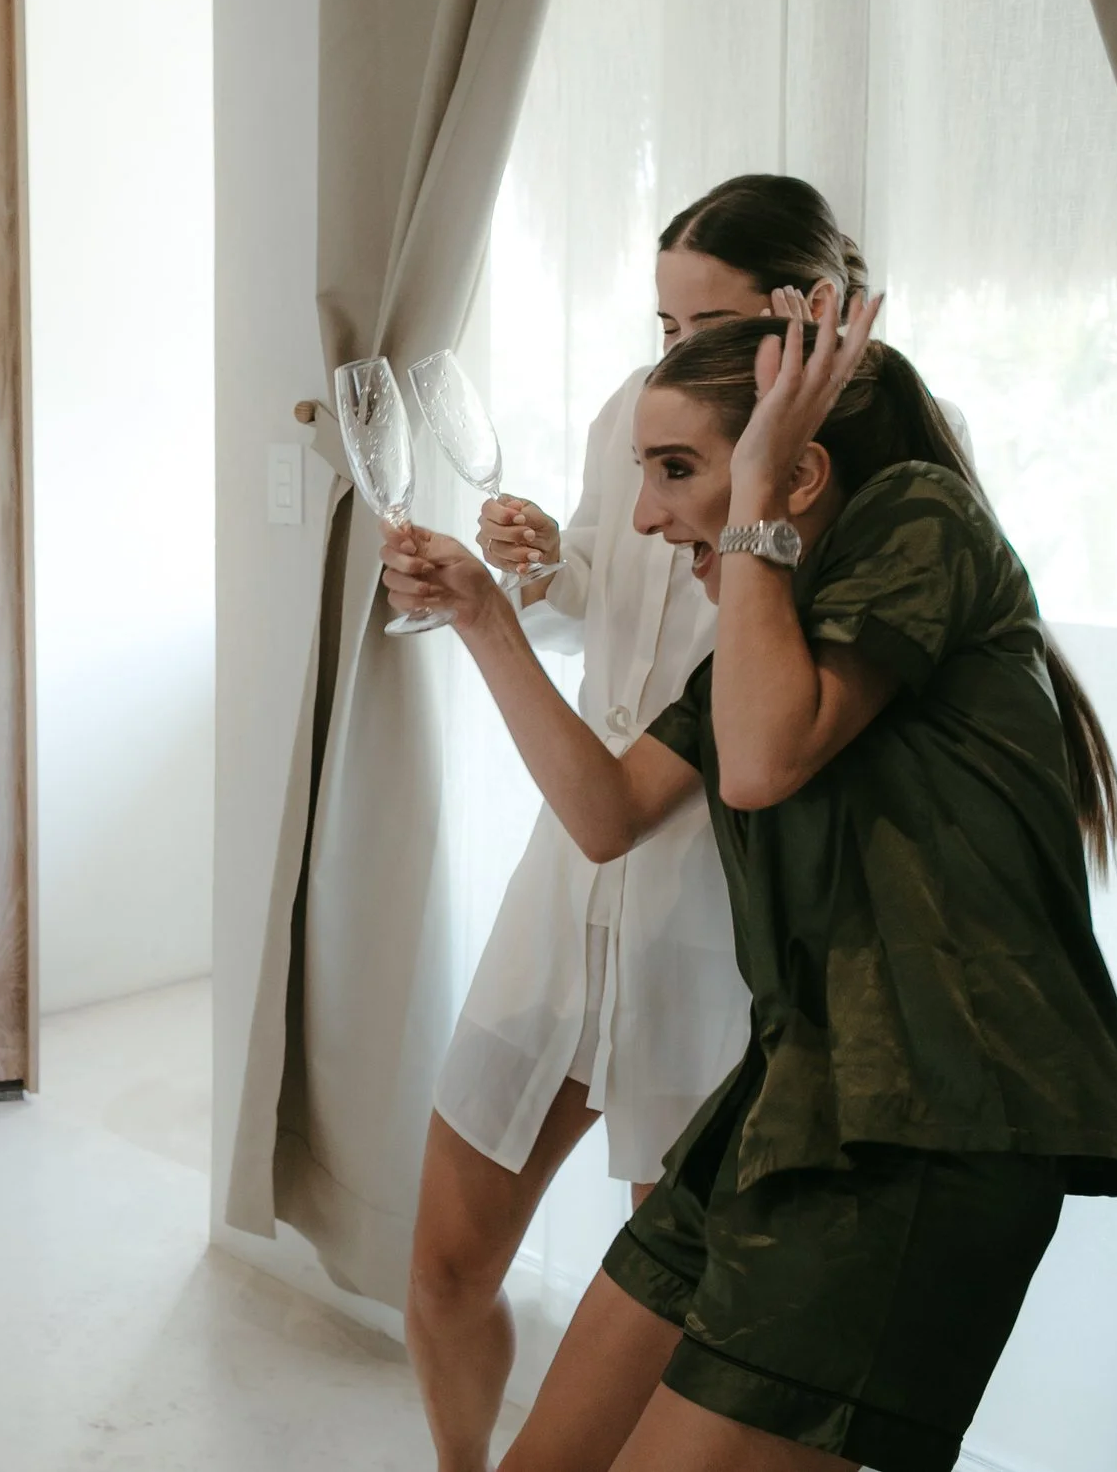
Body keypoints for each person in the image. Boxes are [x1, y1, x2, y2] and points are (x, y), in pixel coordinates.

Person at [382, 306, 1117, 1472]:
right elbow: (606, 811)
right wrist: (485, 615)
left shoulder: (920, 518)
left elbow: (761, 761)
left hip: (929, 1123)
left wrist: (752, 506)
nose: (640, 514)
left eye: (676, 469)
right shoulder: (766, 623)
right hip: (788, 1104)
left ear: (798, 466)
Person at [405, 174, 873, 1471]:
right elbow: (617, 578)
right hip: (569, 874)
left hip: (708, 915)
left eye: (707, 325)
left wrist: (500, 614)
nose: (674, 354)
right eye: (662, 322)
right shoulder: (641, 404)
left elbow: (763, 714)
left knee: (662, 1309)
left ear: (807, 314)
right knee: (443, 1262)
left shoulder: (846, 490)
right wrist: (550, 559)